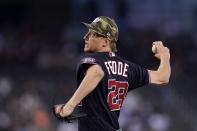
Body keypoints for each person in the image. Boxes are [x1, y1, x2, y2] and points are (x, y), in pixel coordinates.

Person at [54, 16, 171, 131]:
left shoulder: (90, 59)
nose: (86, 37)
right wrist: (165, 56)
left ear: (105, 41)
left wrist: (69, 106)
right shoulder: (129, 67)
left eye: (93, 34)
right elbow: (163, 77)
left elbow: (97, 73)